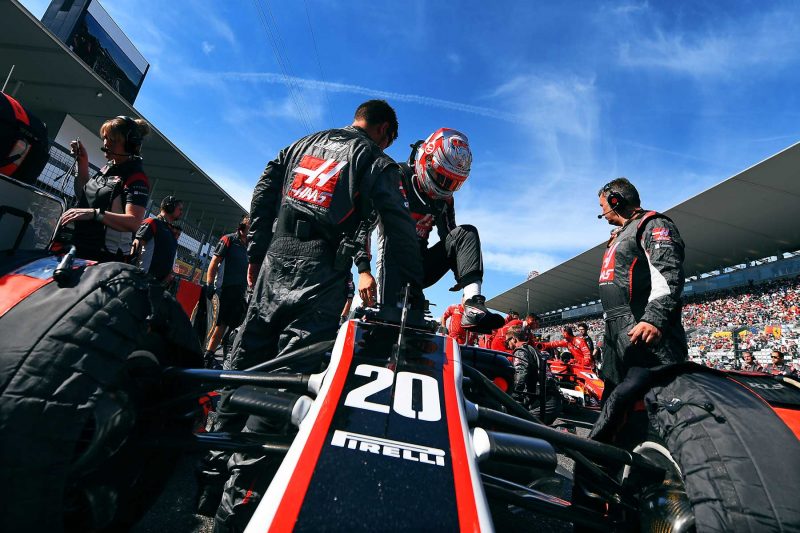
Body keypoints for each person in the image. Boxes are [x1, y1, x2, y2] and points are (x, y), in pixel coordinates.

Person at [215, 100, 424, 532]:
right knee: (283, 382)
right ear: (383, 128)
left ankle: (209, 471)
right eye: (390, 137)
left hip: (275, 258)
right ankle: (237, 510)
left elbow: (264, 190)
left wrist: (256, 252)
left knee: (243, 363)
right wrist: (407, 297)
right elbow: (399, 228)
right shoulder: (374, 159)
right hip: (321, 272)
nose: (389, 145)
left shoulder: (301, 143)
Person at [354, 128, 503, 331]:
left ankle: (472, 304)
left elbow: (452, 239)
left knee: (466, 233)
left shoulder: (445, 200)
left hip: (420, 267)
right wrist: (363, 270)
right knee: (390, 324)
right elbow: (364, 225)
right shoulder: (394, 178)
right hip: (391, 264)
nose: (445, 187)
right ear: (428, 160)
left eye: (452, 183)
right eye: (442, 178)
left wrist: (463, 276)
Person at [596, 177, 687, 395]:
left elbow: (668, 272)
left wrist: (653, 318)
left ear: (616, 201)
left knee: (657, 396)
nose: (602, 212)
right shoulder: (621, 234)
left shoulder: (653, 224)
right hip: (616, 327)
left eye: (602, 205)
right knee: (615, 398)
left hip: (640, 325)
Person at [61, 116, 151, 262]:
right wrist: (82, 161)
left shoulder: (136, 177)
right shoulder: (108, 167)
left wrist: (95, 214)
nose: (106, 143)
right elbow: (84, 196)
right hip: (80, 248)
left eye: (113, 140)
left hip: (105, 260)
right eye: (105, 138)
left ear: (130, 145)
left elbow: (134, 222)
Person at [202, 216, 250, 369]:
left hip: (240, 292)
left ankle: (226, 360)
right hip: (224, 289)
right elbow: (214, 262)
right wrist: (209, 284)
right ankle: (207, 355)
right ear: (243, 226)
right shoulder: (228, 239)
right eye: (250, 226)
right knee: (219, 325)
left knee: (234, 327)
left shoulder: (249, 246)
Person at [131, 195, 182, 285]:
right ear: (170, 207)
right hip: (143, 280)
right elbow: (136, 246)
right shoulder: (152, 222)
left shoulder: (171, 232)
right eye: (180, 209)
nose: (181, 213)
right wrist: (134, 274)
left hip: (158, 284)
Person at [505, 324, 540, 403]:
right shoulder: (532, 348)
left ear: (514, 339)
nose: (507, 345)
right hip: (546, 393)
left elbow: (521, 374)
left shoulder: (520, 351)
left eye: (507, 341)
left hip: (539, 398)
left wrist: (514, 394)